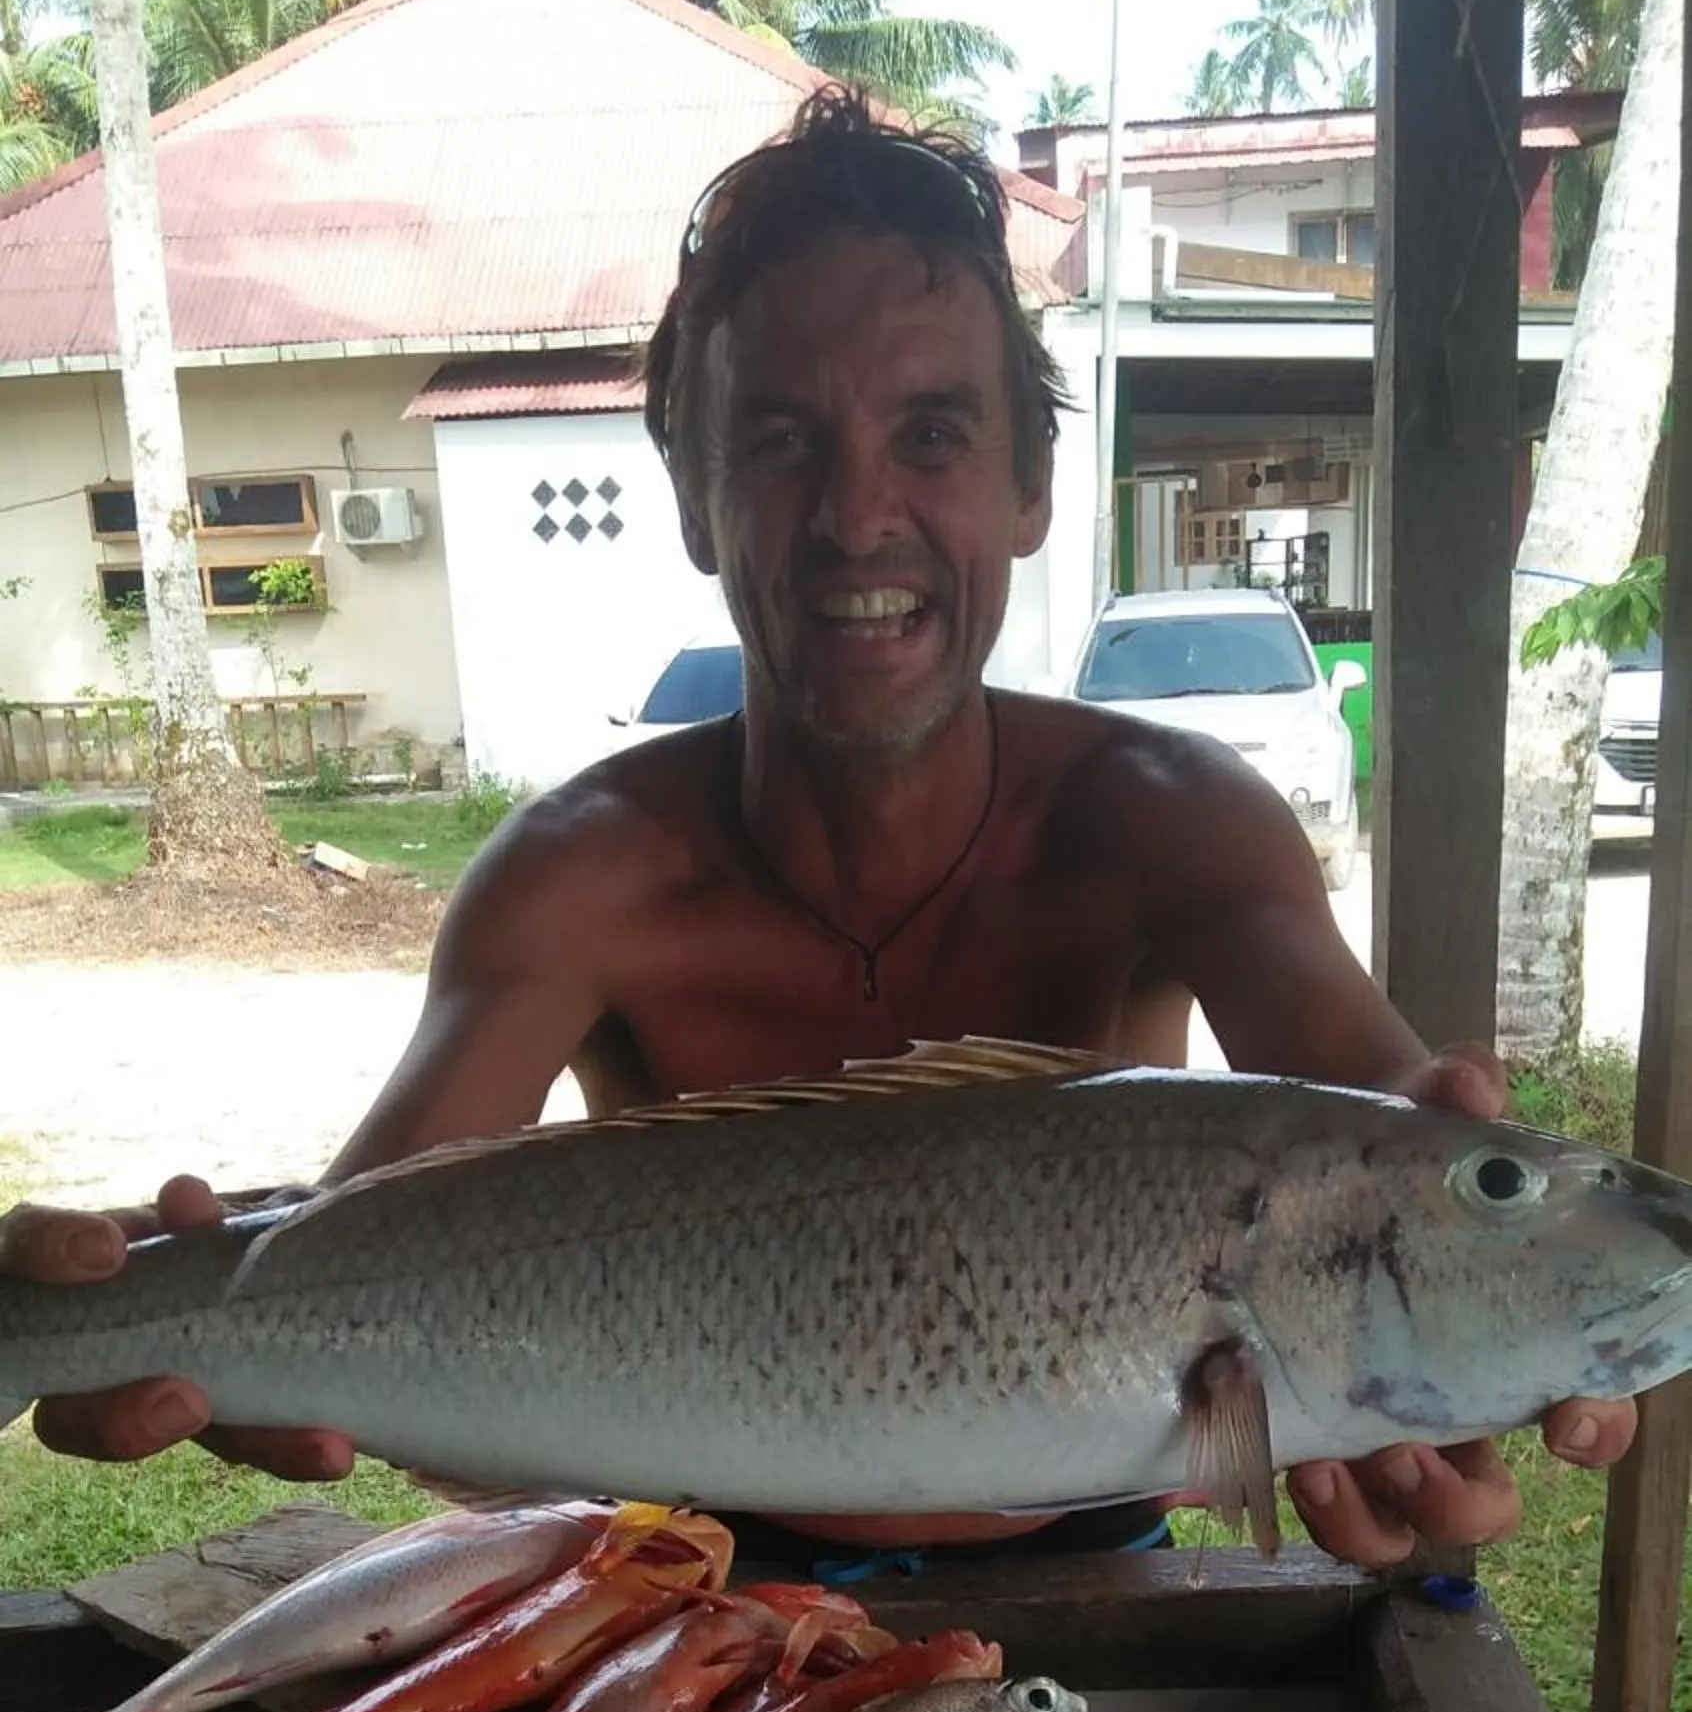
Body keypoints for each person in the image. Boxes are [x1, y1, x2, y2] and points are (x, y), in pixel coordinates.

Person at [0, 91, 1633, 1574]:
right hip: (689, 1597)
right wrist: (129, 1303)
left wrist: (1489, 1249)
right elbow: (351, 1261)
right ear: (695, 499)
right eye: (782, 443)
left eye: (933, 435)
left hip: (1101, 1562)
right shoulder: (578, 878)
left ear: (1030, 485)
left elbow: (1369, 1138)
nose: (859, 516)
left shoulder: (1175, 822)